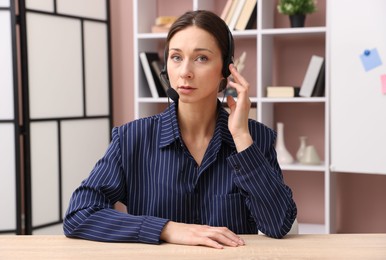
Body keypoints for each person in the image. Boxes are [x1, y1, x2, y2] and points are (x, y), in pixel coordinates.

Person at [63, 10, 297, 249]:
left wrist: (241, 137)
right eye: (176, 57)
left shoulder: (255, 138)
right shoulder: (131, 139)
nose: (185, 71)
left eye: (201, 58)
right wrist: (167, 228)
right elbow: (79, 214)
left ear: (226, 71)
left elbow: (278, 224)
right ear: (166, 67)